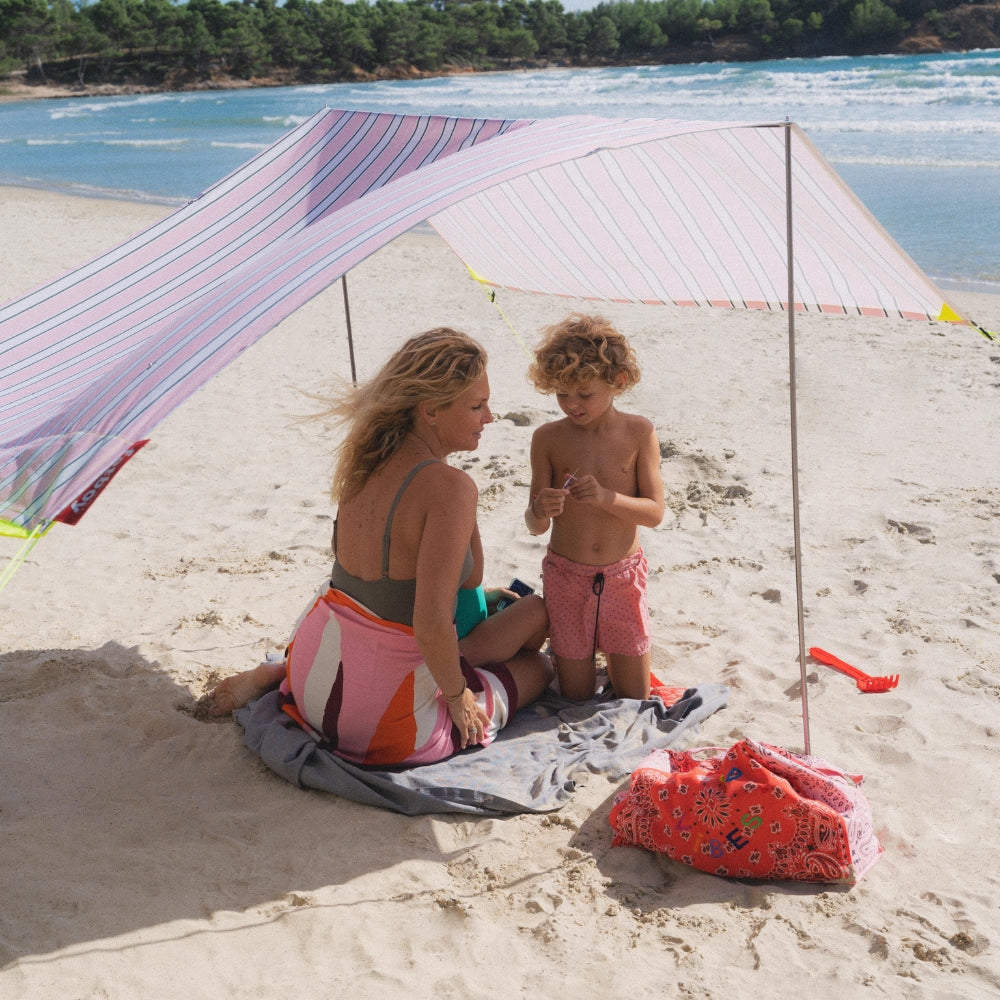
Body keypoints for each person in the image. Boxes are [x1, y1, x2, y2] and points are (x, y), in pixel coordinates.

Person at [209, 328, 553, 766]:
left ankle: (279, 672)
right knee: (540, 669)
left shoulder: (363, 461)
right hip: (383, 725)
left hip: (317, 674)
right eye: (476, 405)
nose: (489, 417)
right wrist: (456, 697)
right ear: (430, 411)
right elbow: (437, 615)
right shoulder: (449, 489)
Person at [524, 313, 665, 702]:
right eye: (562, 394)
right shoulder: (548, 438)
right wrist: (541, 508)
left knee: (634, 695)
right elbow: (535, 526)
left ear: (617, 381)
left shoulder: (639, 432)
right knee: (576, 694)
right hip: (566, 578)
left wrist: (607, 498)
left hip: (623, 578)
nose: (572, 404)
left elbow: (655, 513)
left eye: (584, 394)